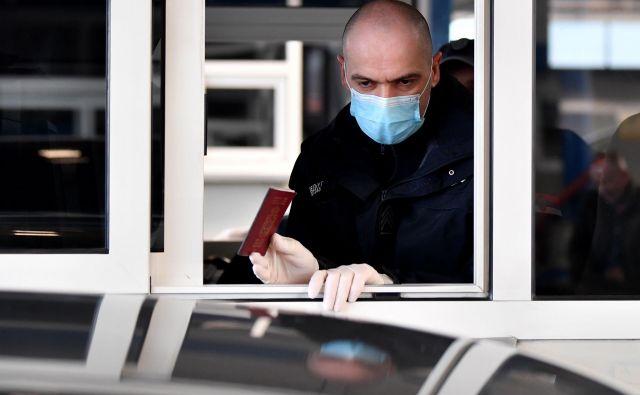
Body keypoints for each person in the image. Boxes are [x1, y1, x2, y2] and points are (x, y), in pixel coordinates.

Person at [251, 0, 474, 311]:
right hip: (341, 349)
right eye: (366, 83)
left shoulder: (487, 155)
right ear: (344, 72)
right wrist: (309, 273)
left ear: (434, 70)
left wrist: (391, 285)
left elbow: (511, 288)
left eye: (404, 81)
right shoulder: (321, 159)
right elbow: (309, 295)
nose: (385, 100)